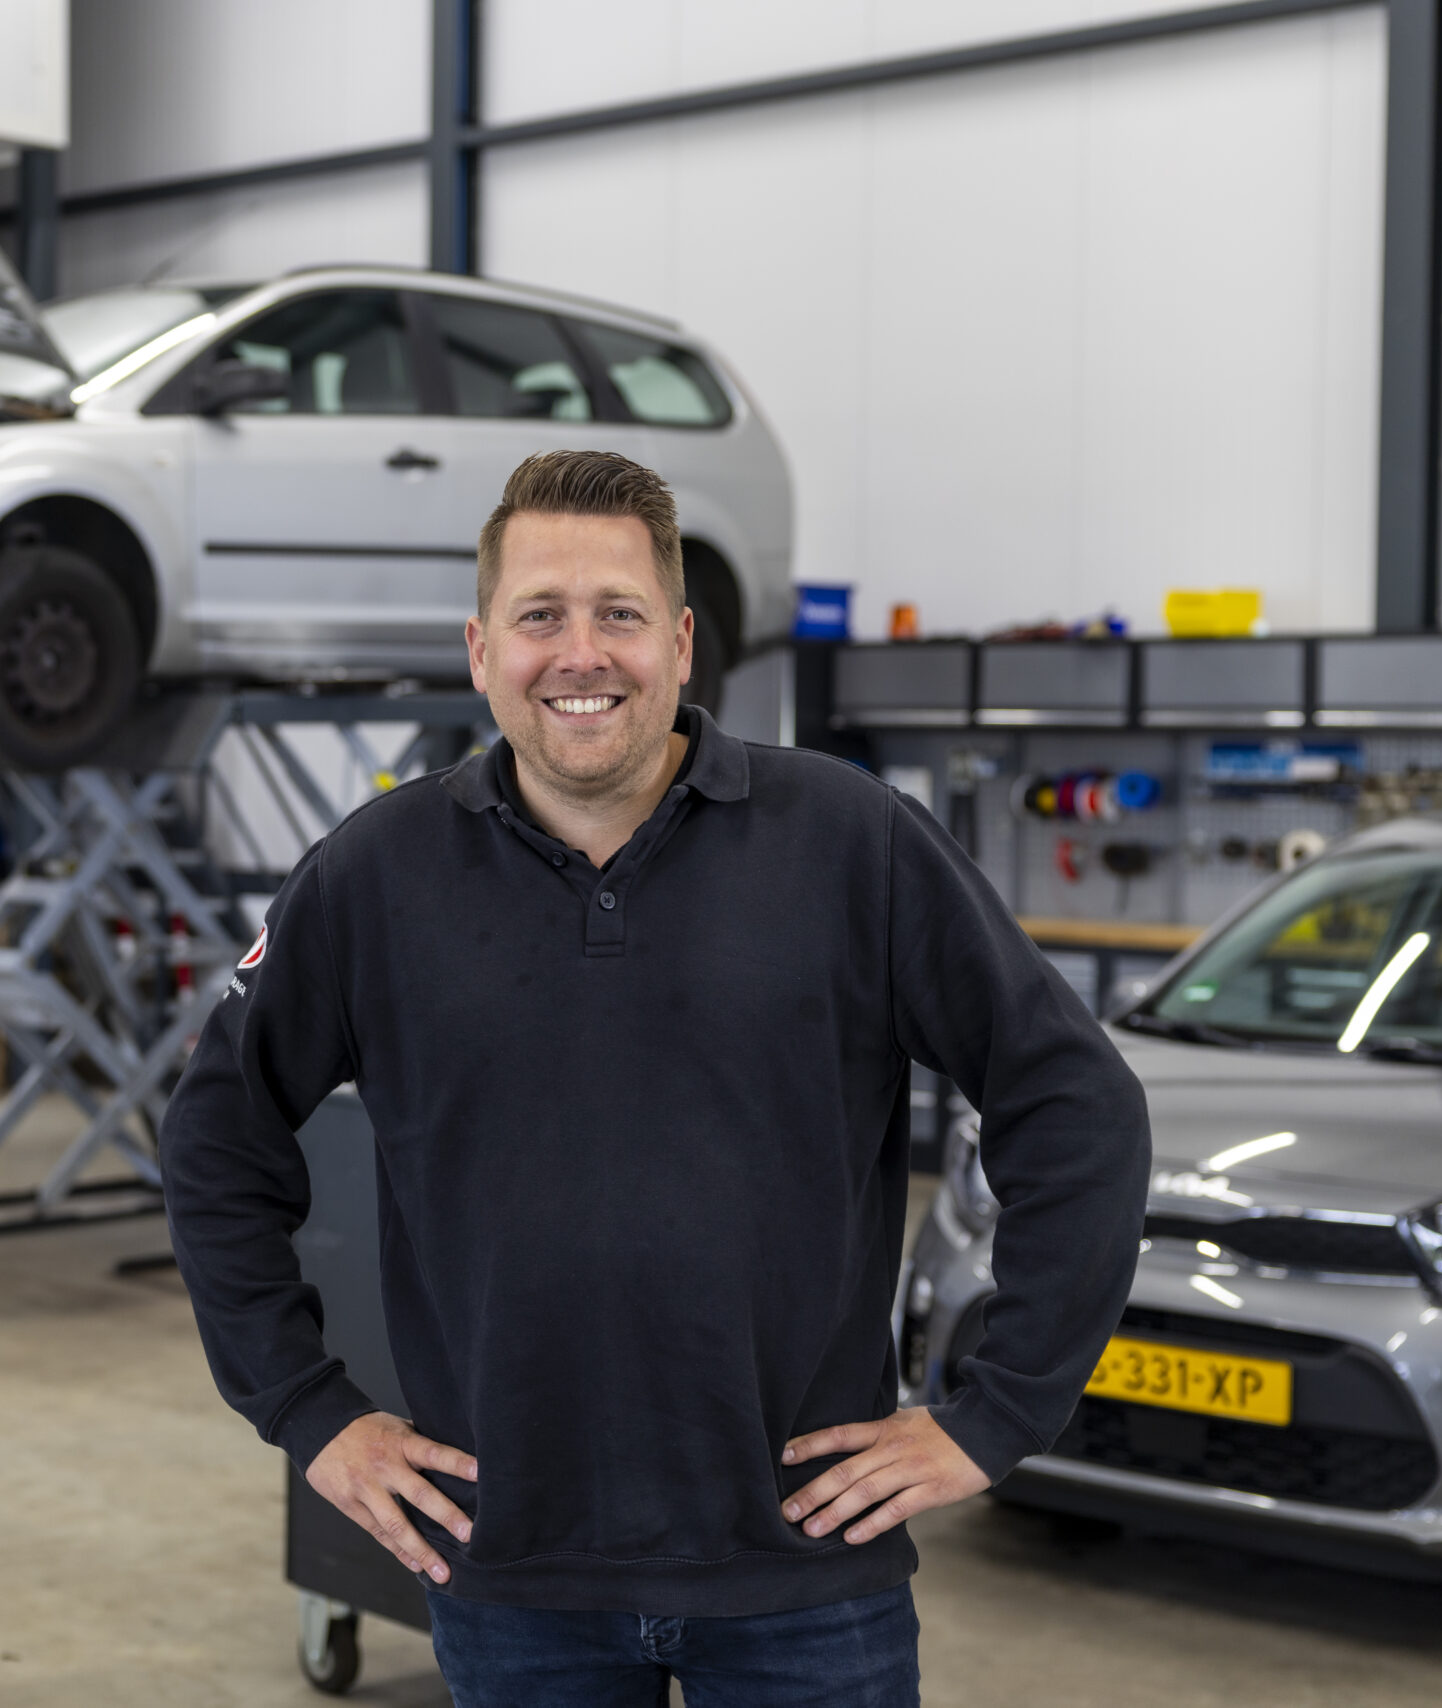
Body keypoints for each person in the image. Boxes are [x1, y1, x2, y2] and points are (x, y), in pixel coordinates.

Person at [163, 449, 1150, 1706]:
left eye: (618, 614)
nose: (581, 654)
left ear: (682, 644)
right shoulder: (371, 878)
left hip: (807, 1577)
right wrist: (308, 1408)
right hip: (511, 1578)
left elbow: (1076, 1108)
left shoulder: (854, 844)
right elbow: (214, 1137)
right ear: (481, 651)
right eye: (540, 617)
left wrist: (993, 1414)